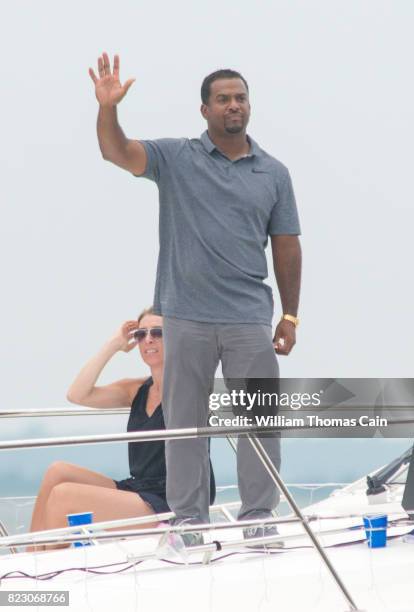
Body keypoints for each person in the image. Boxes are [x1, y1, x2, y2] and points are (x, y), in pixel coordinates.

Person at [88, 53, 301, 544]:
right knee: (185, 426)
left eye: (240, 98)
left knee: (260, 422)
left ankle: (257, 518)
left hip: (249, 316)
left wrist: (289, 314)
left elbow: (287, 244)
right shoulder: (175, 158)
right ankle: (188, 521)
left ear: (250, 106)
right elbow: (116, 151)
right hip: (185, 316)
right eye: (223, 99)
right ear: (204, 110)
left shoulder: (274, 173)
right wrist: (107, 108)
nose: (234, 106)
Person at [26, 307, 216, 551]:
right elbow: (77, 394)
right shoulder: (136, 389)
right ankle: (29, 559)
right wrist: (113, 345)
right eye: (140, 334)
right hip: (140, 487)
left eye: (158, 332)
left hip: (172, 498)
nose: (148, 339)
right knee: (57, 472)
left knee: (63, 496)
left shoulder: (191, 386)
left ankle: (48, 572)